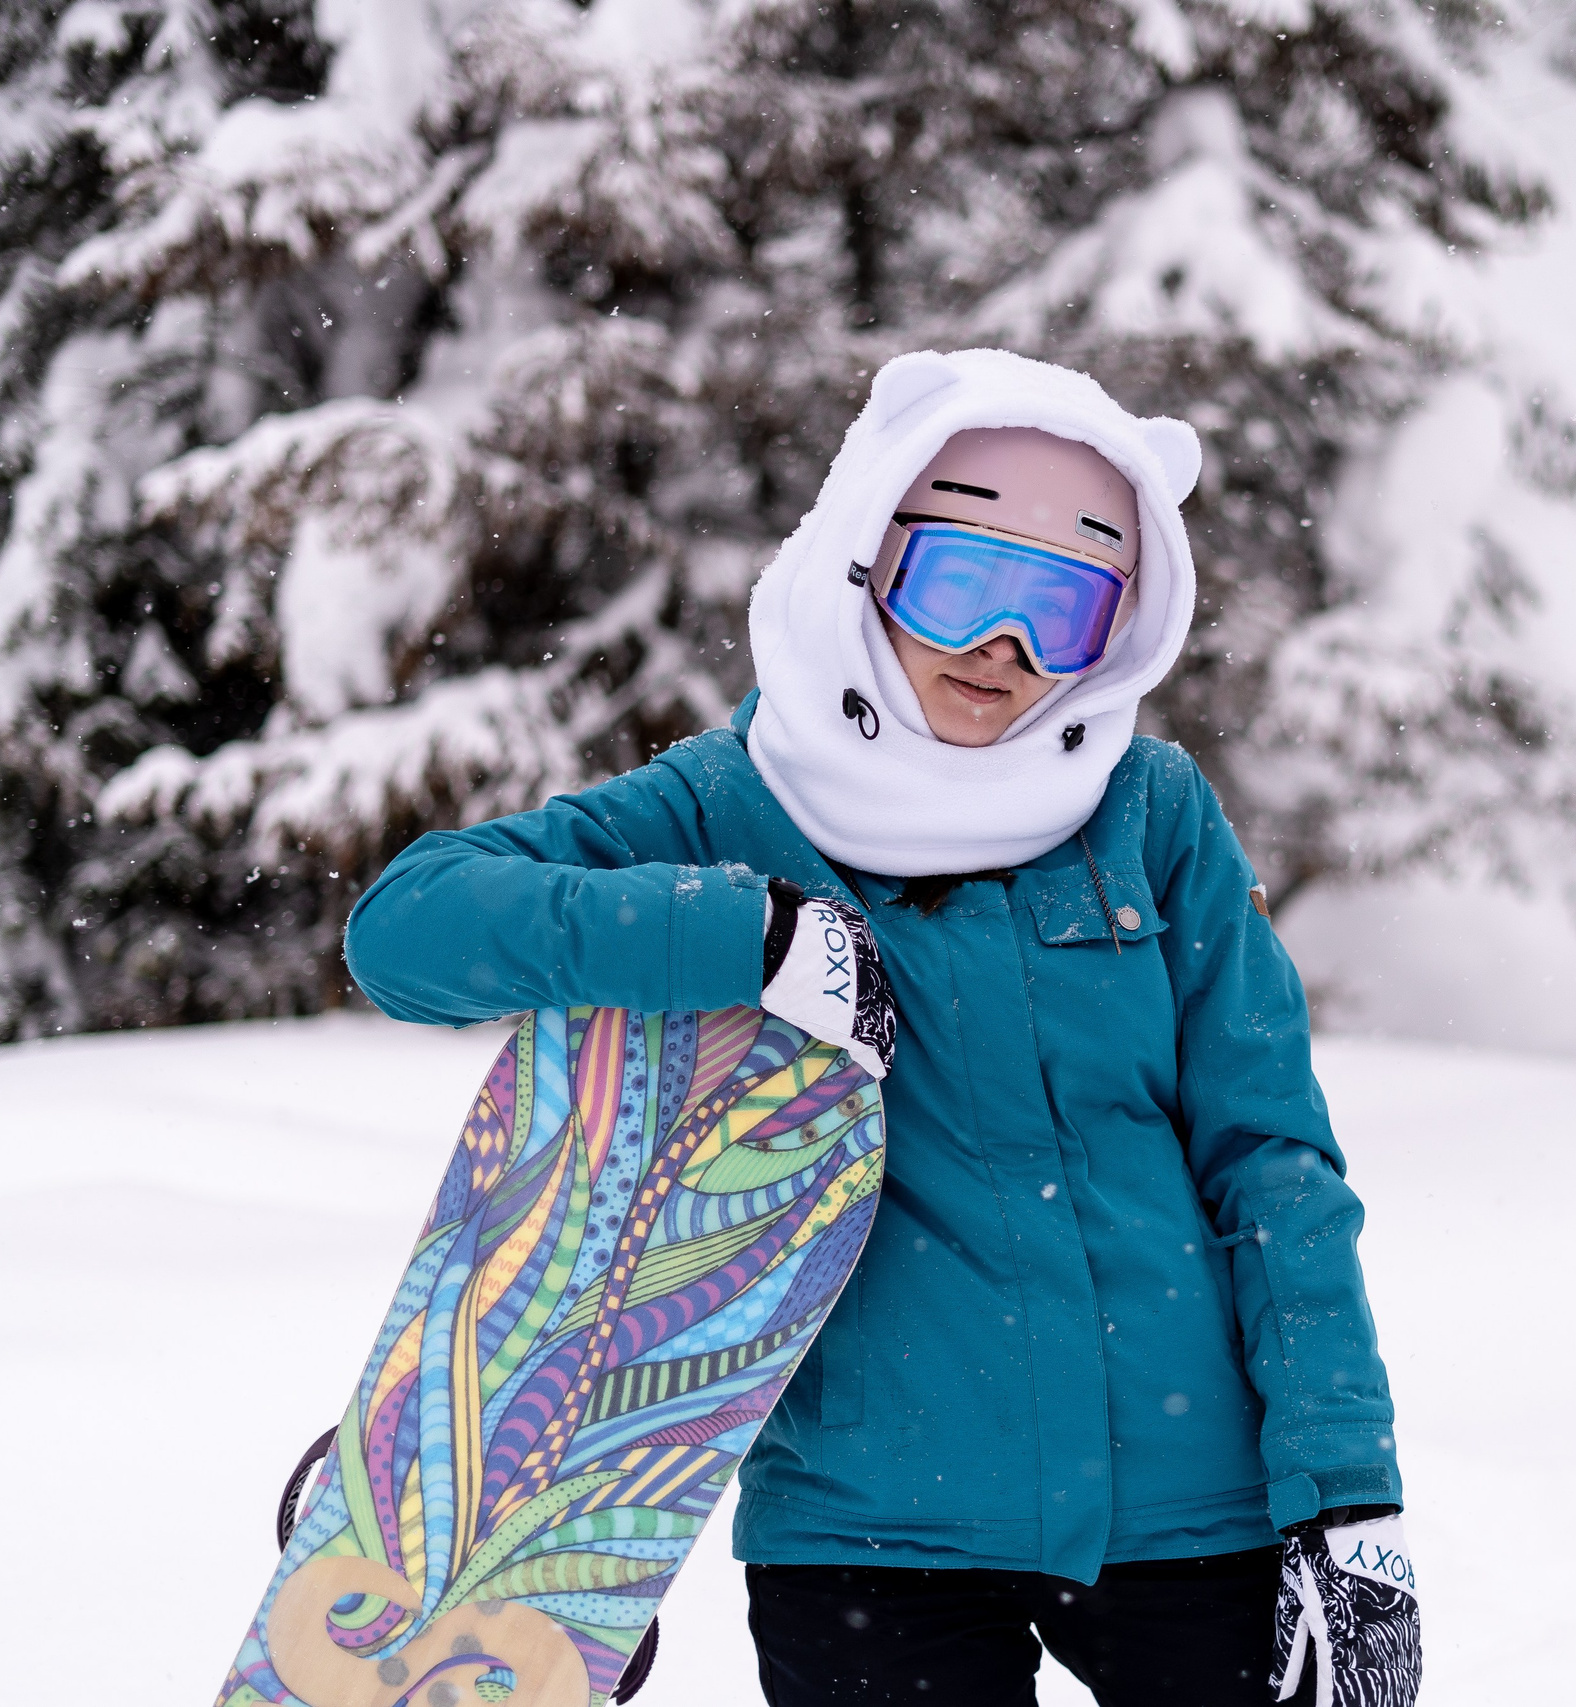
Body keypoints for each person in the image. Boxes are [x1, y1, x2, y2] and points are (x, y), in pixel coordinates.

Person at [343, 349, 1419, 1705]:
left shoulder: (1150, 814)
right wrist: (750, 933)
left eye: (1067, 612)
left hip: (1189, 1514)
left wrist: (1347, 1498)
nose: (1005, 653)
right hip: (871, 1536)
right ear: (867, 560)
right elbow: (410, 931)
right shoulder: (732, 803)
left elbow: (1275, 1167)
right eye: (962, 586)